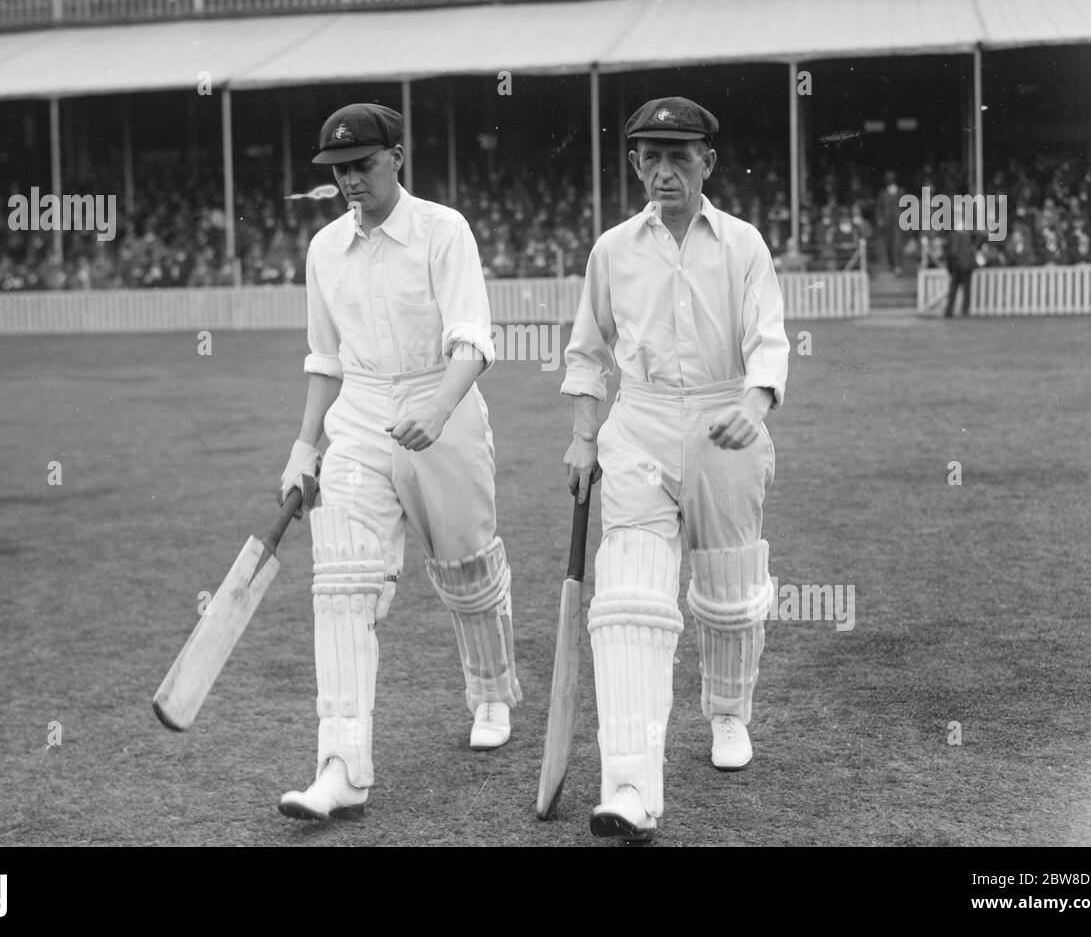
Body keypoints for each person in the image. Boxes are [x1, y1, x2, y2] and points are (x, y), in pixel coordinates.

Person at [276, 104, 522, 821]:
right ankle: (342, 765)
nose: (351, 181)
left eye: (363, 165)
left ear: (397, 157)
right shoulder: (324, 249)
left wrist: (438, 409)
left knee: (467, 568)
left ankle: (490, 691)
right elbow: (325, 361)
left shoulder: (443, 230)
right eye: (339, 171)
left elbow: (471, 340)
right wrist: (303, 446)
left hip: (440, 404)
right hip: (358, 414)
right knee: (342, 585)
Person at [562, 97, 789, 843]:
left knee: (726, 593)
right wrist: (583, 437)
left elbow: (769, 343)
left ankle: (727, 713)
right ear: (634, 164)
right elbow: (588, 353)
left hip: (727, 418)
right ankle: (630, 783)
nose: (664, 171)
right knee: (628, 596)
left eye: (679, 156)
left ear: (707, 163)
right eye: (650, 157)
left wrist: (753, 407)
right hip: (642, 421)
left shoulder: (745, 245)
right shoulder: (613, 249)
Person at [944, 224, 981, 317]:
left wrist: (950, 267)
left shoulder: (957, 235)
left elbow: (952, 252)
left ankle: (951, 310)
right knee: (965, 290)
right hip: (964, 267)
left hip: (959, 266)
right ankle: (964, 310)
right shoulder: (967, 235)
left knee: (955, 290)